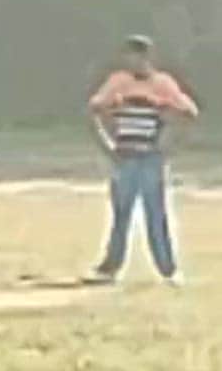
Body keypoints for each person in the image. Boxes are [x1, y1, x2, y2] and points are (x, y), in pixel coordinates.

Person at [84, 35, 198, 286]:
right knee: (121, 214)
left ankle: (168, 270)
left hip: (150, 159)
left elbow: (189, 113)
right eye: (129, 56)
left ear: (148, 58)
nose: (133, 61)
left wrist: (169, 145)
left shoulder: (162, 85)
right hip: (125, 158)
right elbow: (94, 111)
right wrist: (107, 145)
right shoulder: (118, 83)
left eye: (138, 56)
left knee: (155, 214)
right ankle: (110, 268)